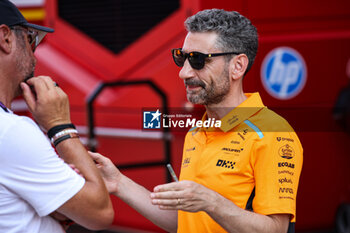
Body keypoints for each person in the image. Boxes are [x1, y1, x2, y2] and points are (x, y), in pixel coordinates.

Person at [89, 9, 303, 233]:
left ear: (237, 66)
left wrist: (211, 202)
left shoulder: (273, 133)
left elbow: (277, 229)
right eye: (181, 58)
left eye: (198, 60)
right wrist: (119, 183)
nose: (184, 72)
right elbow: (187, 223)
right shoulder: (197, 131)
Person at [0, 0, 114, 232]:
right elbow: (99, 213)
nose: (35, 55)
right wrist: (59, 124)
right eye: (30, 38)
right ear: (6, 38)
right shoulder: (11, 131)